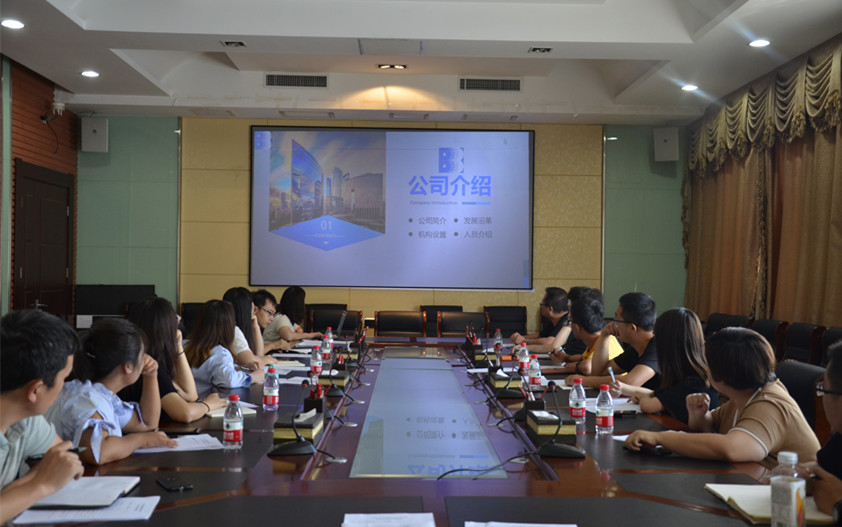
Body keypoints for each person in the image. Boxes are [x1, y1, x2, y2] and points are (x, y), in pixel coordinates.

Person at [625, 327, 820, 466]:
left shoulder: (769, 402)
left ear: (722, 376)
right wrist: (699, 416)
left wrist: (659, 437)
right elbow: (710, 427)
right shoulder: (744, 395)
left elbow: (732, 449)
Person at [46, 318, 177, 466]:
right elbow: (97, 452)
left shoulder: (102, 394)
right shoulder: (90, 400)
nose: (146, 359)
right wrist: (142, 440)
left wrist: (151, 375)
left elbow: (147, 423)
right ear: (128, 367)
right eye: (142, 355)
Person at [0, 310, 85, 524]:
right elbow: (50, 473)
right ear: (36, 390)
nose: (64, 387)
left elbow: (61, 457)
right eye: (64, 379)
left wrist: (23, 489)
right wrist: (40, 485)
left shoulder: (24, 418)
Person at [124, 297, 226, 422]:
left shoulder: (142, 358)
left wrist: (178, 347)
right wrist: (209, 404)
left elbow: (190, 395)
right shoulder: (147, 365)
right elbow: (185, 413)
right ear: (166, 330)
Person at [614, 308, 719, 424]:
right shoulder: (689, 372)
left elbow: (648, 406)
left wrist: (645, 398)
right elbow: (661, 394)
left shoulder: (694, 382)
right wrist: (646, 395)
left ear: (666, 345)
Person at [570, 292, 660, 390]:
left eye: (617, 319)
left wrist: (584, 381)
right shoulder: (635, 348)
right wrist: (604, 336)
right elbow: (598, 374)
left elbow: (630, 382)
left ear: (632, 328)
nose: (614, 324)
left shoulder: (658, 347)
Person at [185, 300, 265, 393]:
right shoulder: (220, 353)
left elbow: (209, 368)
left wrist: (239, 368)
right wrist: (253, 377)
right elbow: (229, 380)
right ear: (229, 327)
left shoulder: (184, 344)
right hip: (206, 399)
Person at [805, 341, 842, 517]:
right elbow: (824, 467)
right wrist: (807, 475)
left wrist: (838, 506)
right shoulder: (838, 441)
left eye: (823, 390)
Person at [548, 294, 623, 376]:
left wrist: (572, 365)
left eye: (570, 321)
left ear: (577, 327)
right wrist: (566, 358)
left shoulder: (607, 341)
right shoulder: (594, 340)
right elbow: (583, 358)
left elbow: (587, 367)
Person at [511, 287, 583, 354]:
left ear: (550, 309)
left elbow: (550, 343)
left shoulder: (567, 320)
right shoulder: (555, 320)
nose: (541, 306)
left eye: (542, 304)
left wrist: (524, 341)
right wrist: (522, 338)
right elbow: (541, 335)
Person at [223, 287, 277, 367]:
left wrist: (255, 326)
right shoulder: (233, 330)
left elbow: (259, 354)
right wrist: (266, 359)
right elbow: (252, 362)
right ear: (245, 309)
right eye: (252, 306)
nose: (254, 310)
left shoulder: (234, 327)